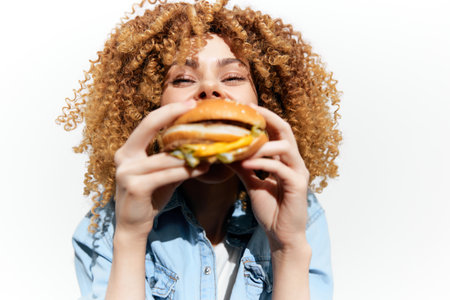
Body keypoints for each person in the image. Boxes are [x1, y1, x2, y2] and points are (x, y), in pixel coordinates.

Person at [58, 0, 341, 299]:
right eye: (183, 79)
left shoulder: (299, 213)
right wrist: (129, 236)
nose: (208, 88)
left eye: (232, 77)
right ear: (151, 108)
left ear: (266, 102)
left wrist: (288, 247)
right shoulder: (105, 227)